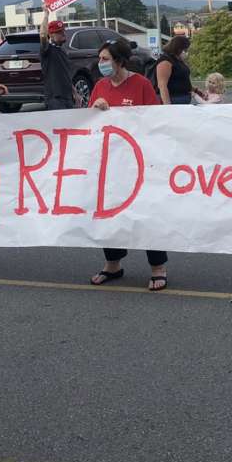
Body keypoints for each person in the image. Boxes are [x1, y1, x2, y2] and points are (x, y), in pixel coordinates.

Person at [87, 40, 168, 291]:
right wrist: (96, 109)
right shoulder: (100, 86)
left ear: (119, 61)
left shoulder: (141, 84)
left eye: (105, 59)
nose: (100, 64)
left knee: (146, 212)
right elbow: (88, 122)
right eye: (100, 59)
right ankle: (113, 264)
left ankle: (158, 267)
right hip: (110, 162)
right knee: (107, 211)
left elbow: (155, 119)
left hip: (139, 161)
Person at [39, 12, 75, 110]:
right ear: (50, 35)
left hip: (68, 97)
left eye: (63, 30)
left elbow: (65, 75)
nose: (63, 33)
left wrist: (75, 93)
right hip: (55, 99)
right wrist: (46, 14)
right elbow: (42, 34)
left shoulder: (62, 50)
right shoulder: (47, 49)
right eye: (59, 32)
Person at [156, 35, 199, 105]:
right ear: (179, 48)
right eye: (185, 49)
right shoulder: (165, 61)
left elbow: (183, 80)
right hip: (173, 99)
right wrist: (167, 105)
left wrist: (197, 91)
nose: (186, 52)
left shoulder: (177, 59)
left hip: (183, 98)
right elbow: (162, 85)